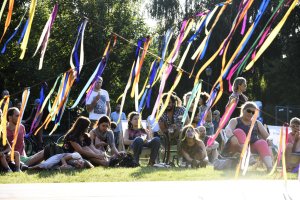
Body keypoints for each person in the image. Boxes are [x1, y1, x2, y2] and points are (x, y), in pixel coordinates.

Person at [224, 101, 272, 172]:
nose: (251, 114)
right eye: (249, 111)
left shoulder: (257, 123)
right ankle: (248, 157)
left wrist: (269, 140)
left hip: (251, 147)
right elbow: (227, 130)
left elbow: (267, 137)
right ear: (243, 110)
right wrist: (232, 137)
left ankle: (270, 168)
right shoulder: (235, 120)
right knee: (238, 131)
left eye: (253, 112)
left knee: (262, 142)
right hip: (236, 146)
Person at [28, 152, 94, 170]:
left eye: (78, 166)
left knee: (47, 168)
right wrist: (65, 164)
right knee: (46, 165)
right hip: (59, 157)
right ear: (81, 160)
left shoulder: (74, 167)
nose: (78, 164)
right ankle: (29, 168)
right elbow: (63, 158)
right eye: (80, 162)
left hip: (60, 164)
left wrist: (63, 167)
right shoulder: (77, 156)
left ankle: (34, 167)